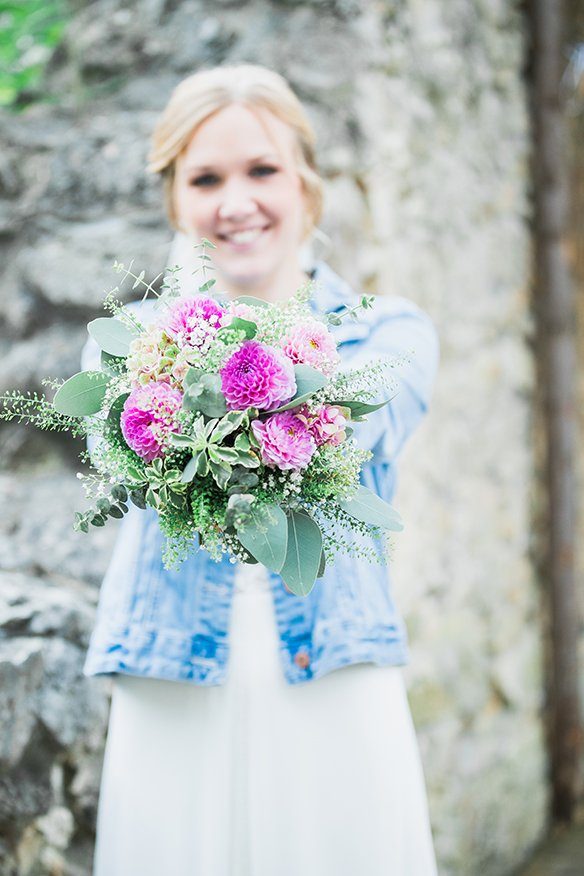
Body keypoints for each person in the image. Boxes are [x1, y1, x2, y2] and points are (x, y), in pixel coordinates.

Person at [82, 64, 440, 875]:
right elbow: (117, 449)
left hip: (335, 675)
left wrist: (205, 384)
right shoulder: (128, 340)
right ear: (174, 200)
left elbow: (361, 433)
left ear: (308, 186)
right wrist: (188, 337)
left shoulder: (393, 335)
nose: (234, 202)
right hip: (170, 672)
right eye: (205, 178)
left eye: (262, 170)